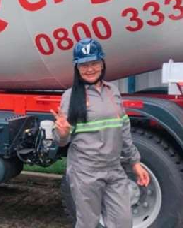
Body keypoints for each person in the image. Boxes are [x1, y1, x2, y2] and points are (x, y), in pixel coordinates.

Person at [52, 38, 150, 228]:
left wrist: (135, 162)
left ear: (102, 63)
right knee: (88, 223)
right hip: (85, 172)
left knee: (123, 222)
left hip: (114, 168)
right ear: (77, 68)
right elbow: (62, 141)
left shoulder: (112, 91)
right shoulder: (70, 96)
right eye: (84, 65)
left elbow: (123, 130)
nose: (90, 69)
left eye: (94, 63)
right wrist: (62, 133)